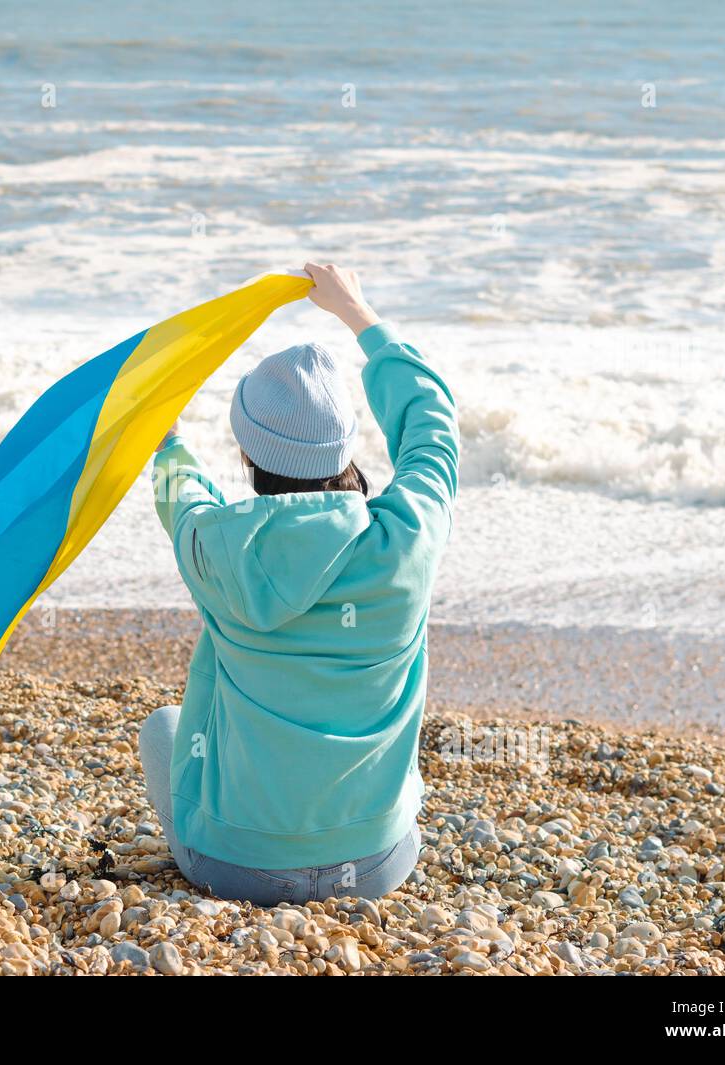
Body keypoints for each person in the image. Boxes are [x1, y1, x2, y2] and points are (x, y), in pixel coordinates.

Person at [139, 262, 460, 905]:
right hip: (374, 864)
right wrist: (358, 314)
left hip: (231, 865)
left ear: (248, 457)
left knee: (163, 728)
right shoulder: (405, 542)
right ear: (345, 450)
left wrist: (166, 437)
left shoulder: (214, 549)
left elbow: (181, 492)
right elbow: (432, 424)